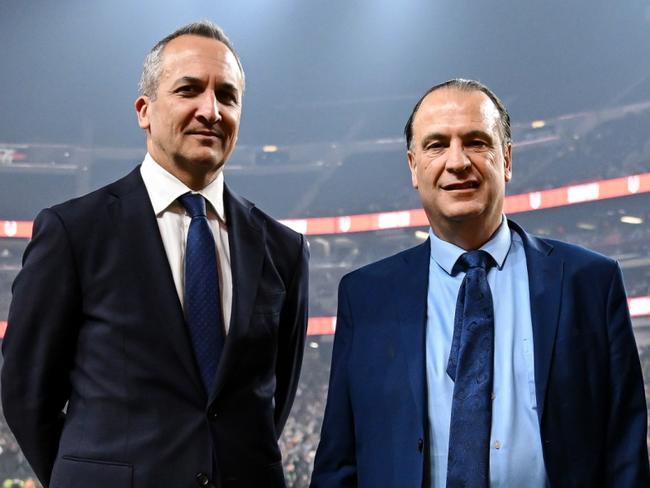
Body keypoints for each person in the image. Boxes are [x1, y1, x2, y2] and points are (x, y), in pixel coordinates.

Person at [1, 20, 308, 488]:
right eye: (189, 90)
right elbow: (27, 394)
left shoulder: (283, 247)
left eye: (227, 96)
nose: (211, 109)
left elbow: (275, 398)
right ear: (144, 110)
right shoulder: (73, 231)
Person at [311, 79, 649, 487]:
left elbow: (626, 454)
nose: (457, 162)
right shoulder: (364, 296)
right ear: (413, 167)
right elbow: (339, 461)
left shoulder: (591, 282)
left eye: (476, 141)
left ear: (506, 160)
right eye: (436, 145)